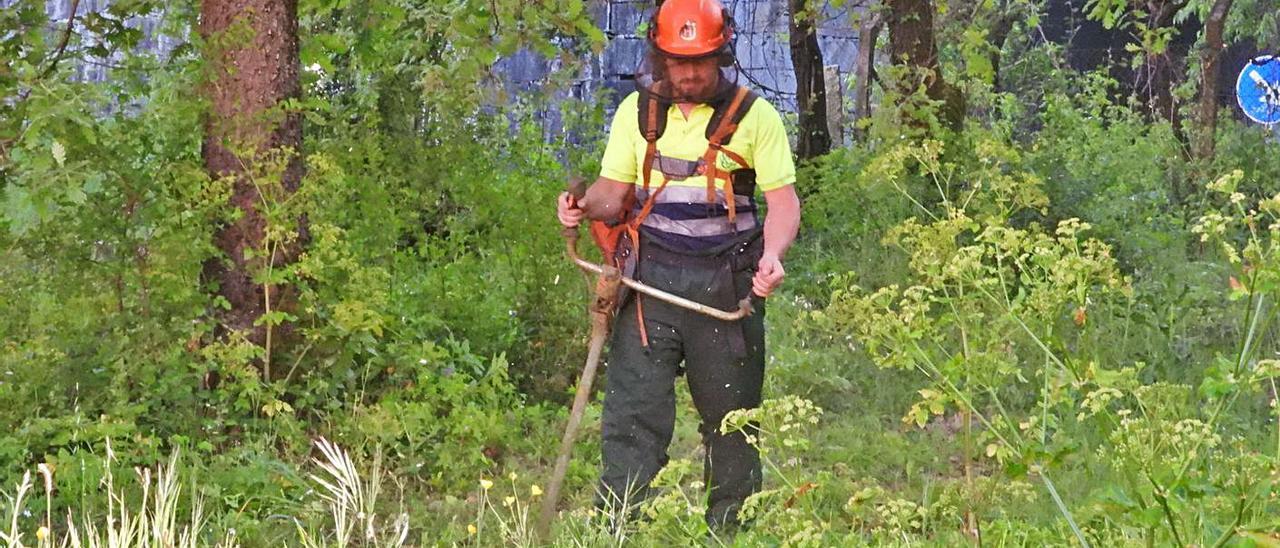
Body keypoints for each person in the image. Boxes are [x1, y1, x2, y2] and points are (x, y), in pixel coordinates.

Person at [555, 0, 801, 529]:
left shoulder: (755, 117)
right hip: (648, 285)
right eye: (678, 62)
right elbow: (612, 192)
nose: (689, 74)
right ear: (659, 58)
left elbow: (783, 202)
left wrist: (773, 256)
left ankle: (730, 531)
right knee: (632, 415)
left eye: (701, 61)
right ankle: (619, 529)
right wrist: (580, 205)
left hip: (727, 287)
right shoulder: (637, 113)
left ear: (722, 54)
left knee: (731, 422)